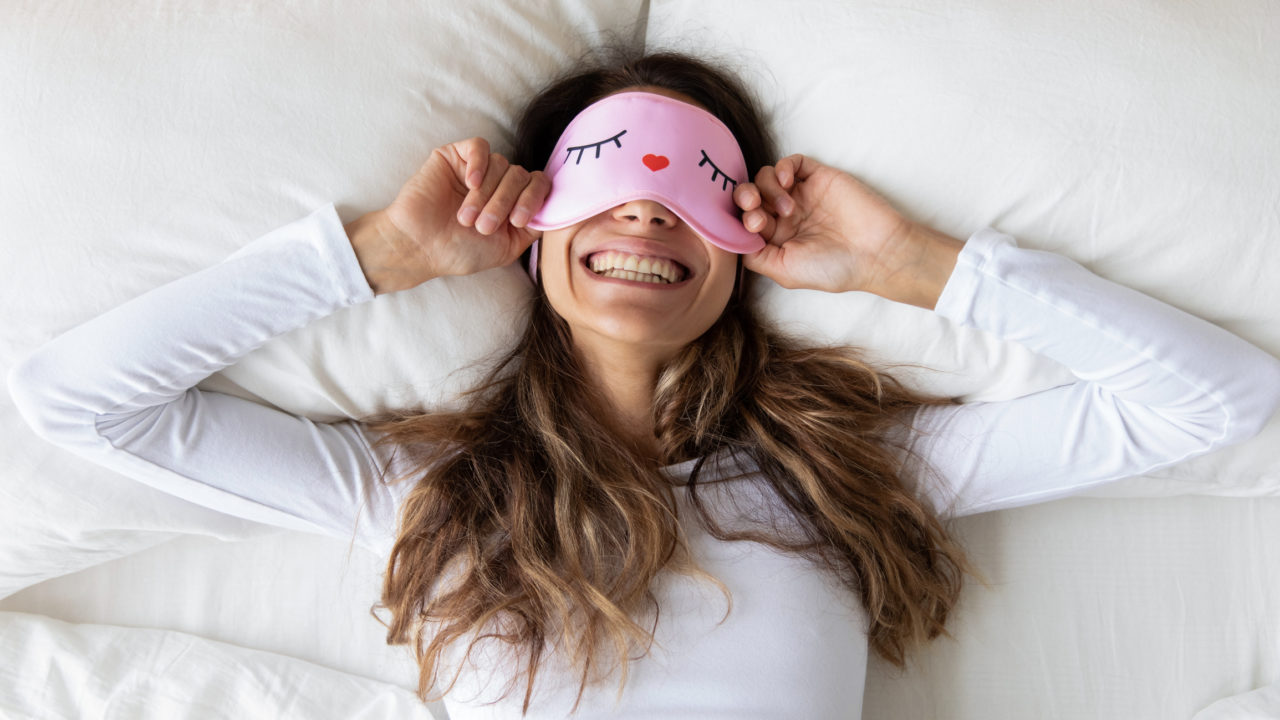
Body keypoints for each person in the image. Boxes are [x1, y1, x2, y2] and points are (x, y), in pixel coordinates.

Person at [10, 49, 1280, 720]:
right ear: (535, 225)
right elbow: (76, 400)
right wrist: (382, 257)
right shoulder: (426, 496)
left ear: (744, 245)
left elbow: (1214, 403)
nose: (640, 208)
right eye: (603, 172)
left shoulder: (846, 480)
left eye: (687, 184)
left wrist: (913, 268)